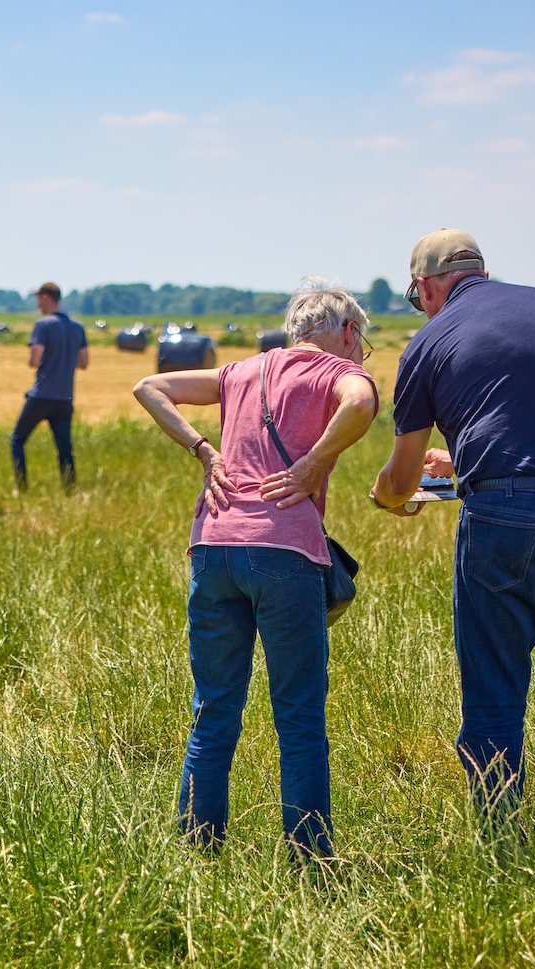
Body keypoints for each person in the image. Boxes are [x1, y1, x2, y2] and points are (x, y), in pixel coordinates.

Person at [368, 229, 535, 823]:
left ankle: (500, 836)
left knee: (494, 696)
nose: (422, 307)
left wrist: (388, 499)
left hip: (505, 521)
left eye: (417, 298)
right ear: (481, 273)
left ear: (428, 285)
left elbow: (402, 474)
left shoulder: (426, 343)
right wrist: (469, 457)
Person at [132, 278, 379, 857]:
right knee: (298, 722)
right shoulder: (335, 372)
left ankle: (197, 855)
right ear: (346, 332)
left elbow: (150, 386)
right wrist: (317, 461)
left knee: (213, 713)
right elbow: (363, 403)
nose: (359, 352)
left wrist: (203, 449)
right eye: (360, 341)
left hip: (212, 550)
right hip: (285, 553)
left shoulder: (242, 371)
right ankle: (308, 862)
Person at [11, 281, 88, 492]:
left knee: (17, 440)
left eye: (38, 299)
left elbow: (34, 360)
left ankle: (22, 487)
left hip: (41, 394)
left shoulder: (42, 326)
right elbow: (83, 362)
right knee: (65, 447)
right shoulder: (77, 327)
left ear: (46, 297)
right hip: (65, 397)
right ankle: (69, 488)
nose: (37, 304)